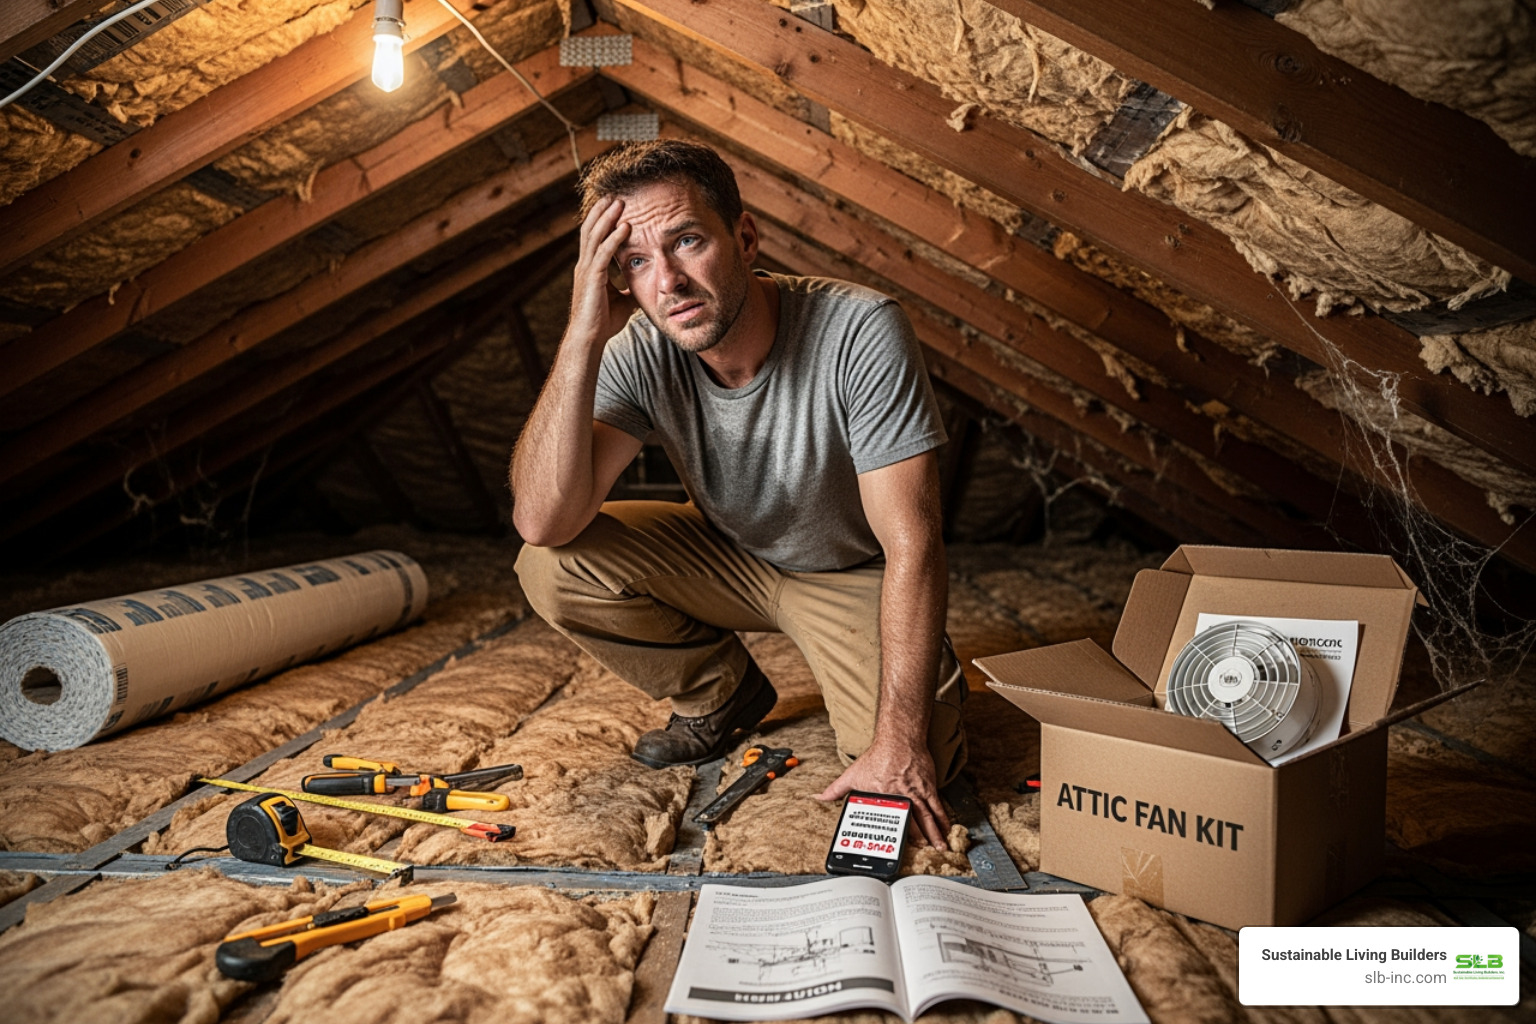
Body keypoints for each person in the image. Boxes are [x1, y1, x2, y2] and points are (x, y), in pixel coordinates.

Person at [509, 140, 965, 848]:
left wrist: (900, 739)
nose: (669, 282)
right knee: (551, 561)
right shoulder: (639, 347)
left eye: (687, 242)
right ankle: (720, 694)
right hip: (730, 557)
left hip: (853, 572)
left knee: (919, 756)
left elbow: (915, 543)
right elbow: (543, 518)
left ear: (744, 239)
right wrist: (582, 335)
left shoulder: (860, 329)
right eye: (636, 261)